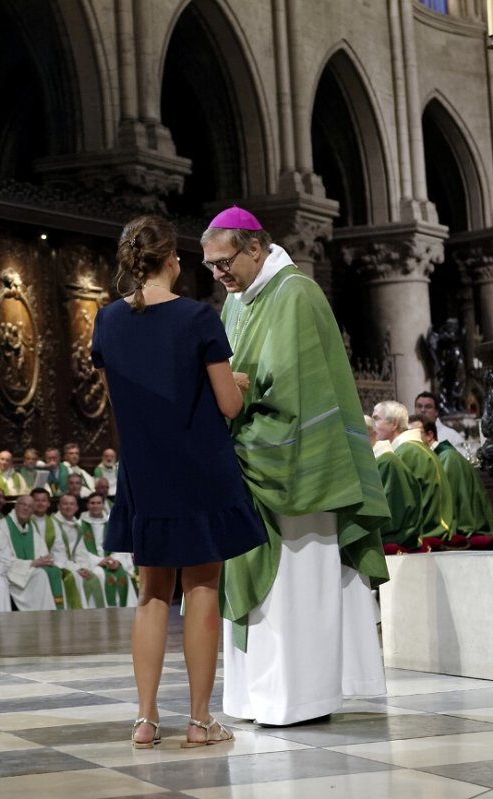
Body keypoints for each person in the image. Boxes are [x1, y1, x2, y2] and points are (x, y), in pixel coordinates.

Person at [201, 205, 391, 726]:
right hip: (250, 460)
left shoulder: (297, 294)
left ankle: (301, 699)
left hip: (297, 464)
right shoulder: (239, 300)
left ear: (254, 248)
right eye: (210, 267)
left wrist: (237, 387)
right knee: (267, 594)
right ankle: (255, 697)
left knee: (297, 587)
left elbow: (297, 389)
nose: (217, 275)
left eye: (223, 263)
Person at [92, 214, 266, 749]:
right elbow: (230, 404)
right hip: (199, 468)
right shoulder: (198, 319)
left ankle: (145, 719)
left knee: (151, 596)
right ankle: (199, 721)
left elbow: (120, 397)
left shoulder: (107, 322)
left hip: (145, 470)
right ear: (174, 260)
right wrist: (237, 380)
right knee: (202, 589)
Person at [421, 419, 493, 544]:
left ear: (429, 435)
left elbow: (443, 499)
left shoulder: (447, 458)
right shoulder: (439, 456)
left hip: (465, 524)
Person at [365, 416, 423, 552]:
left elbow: (389, 509)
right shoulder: (377, 461)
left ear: (372, 434)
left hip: (394, 535)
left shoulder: (386, 462)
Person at [1, 494, 63, 610]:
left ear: (32, 511)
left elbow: (41, 551)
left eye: (29, 507)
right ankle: (43, 614)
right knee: (40, 575)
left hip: (27, 570)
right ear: (15, 506)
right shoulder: (3, 526)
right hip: (13, 572)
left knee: (53, 571)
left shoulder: (31, 526)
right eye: (23, 504)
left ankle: (54, 613)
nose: (25, 508)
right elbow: (4, 559)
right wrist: (32, 563)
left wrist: (44, 560)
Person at [81, 492, 135, 607]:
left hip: (111, 561)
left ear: (103, 505)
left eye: (99, 503)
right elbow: (79, 549)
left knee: (123, 574)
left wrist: (116, 560)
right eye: (92, 503)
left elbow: (120, 545)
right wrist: (98, 561)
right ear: (87, 505)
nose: (96, 506)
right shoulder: (80, 525)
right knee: (100, 575)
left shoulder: (111, 524)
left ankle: (125, 611)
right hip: (93, 564)